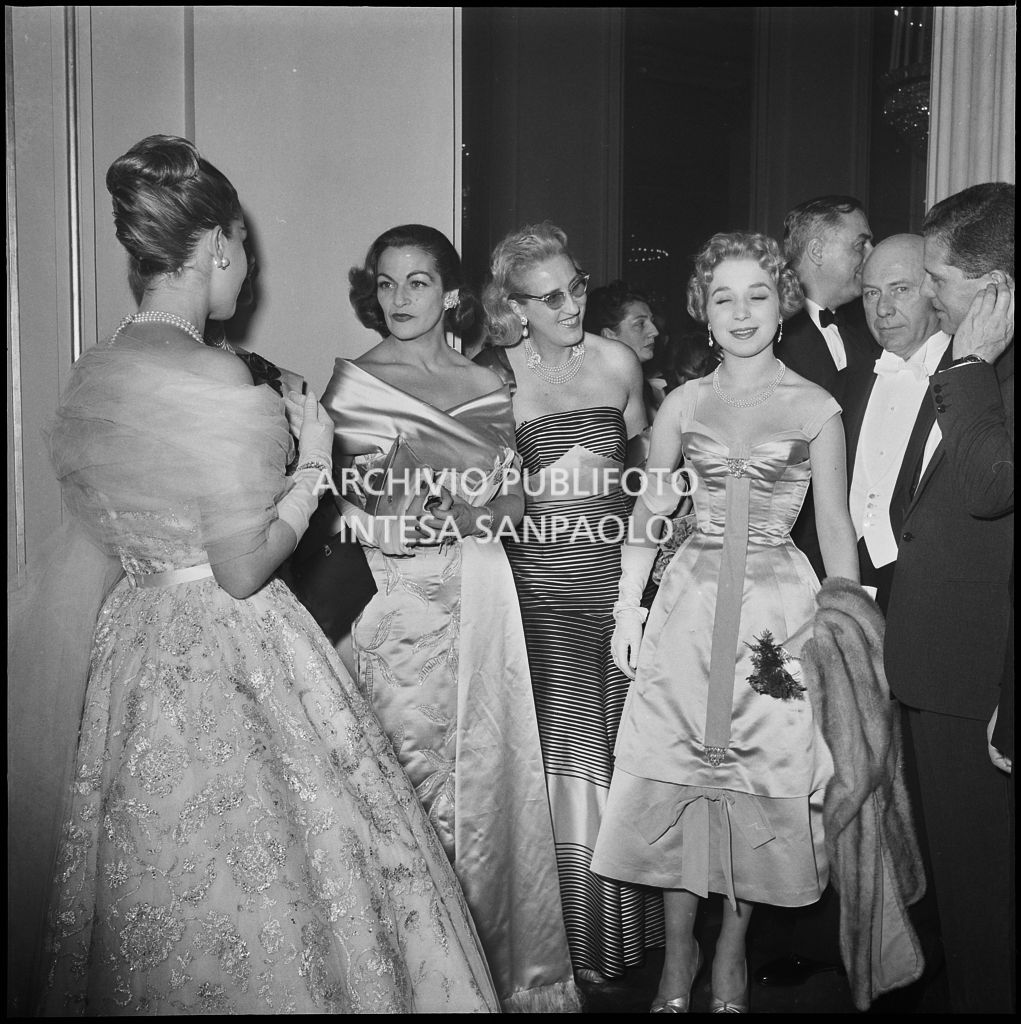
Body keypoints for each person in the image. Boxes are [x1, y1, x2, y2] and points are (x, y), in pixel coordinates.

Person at [7, 135, 499, 1015]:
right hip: (227, 648)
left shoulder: (101, 371)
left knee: (147, 871)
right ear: (220, 245)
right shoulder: (214, 375)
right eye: (244, 256)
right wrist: (312, 467)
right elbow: (242, 570)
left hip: (133, 642)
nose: (247, 277)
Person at [591, 231, 861, 1013]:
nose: (740, 312)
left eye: (756, 295)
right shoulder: (682, 402)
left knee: (751, 775)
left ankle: (732, 952)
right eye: (722, 298)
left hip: (777, 610)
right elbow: (649, 509)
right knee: (679, 771)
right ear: (701, 315)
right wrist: (626, 606)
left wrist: (842, 623)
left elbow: (836, 527)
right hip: (692, 602)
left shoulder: (815, 408)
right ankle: (678, 958)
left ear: (781, 307)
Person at [320, 224, 579, 1012]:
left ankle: (487, 969)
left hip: (479, 594)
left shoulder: (486, 383)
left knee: (487, 786)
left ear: (453, 293)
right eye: (389, 283)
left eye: (419, 282)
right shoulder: (356, 384)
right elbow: (354, 509)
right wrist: (415, 514)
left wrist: (478, 513)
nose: (401, 299)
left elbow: (512, 498)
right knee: (404, 782)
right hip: (395, 604)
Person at [475, 221, 664, 986]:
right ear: (512, 306)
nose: (570, 304)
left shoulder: (618, 362)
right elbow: (489, 506)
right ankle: (577, 947)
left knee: (625, 765)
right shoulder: (492, 379)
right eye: (548, 296)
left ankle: (624, 938)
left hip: (619, 594)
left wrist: (647, 580)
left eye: (576, 286)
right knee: (570, 769)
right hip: (542, 598)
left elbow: (647, 474)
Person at [884, 182, 1015, 1014]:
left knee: (986, 901)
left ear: (997, 287)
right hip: (945, 670)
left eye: (939, 278)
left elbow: (988, 486)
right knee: (967, 900)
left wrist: (968, 365)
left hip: (981, 686)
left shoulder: (981, 365)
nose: (927, 293)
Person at [839, 234, 951, 613]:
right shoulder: (850, 379)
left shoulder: (971, 378)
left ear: (934, 290)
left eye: (899, 289)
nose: (882, 309)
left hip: (930, 593)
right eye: (871, 294)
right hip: (849, 581)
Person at [584, 279, 665, 421]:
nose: (655, 331)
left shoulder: (642, 386)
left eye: (651, 321)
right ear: (609, 335)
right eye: (640, 324)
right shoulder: (594, 394)